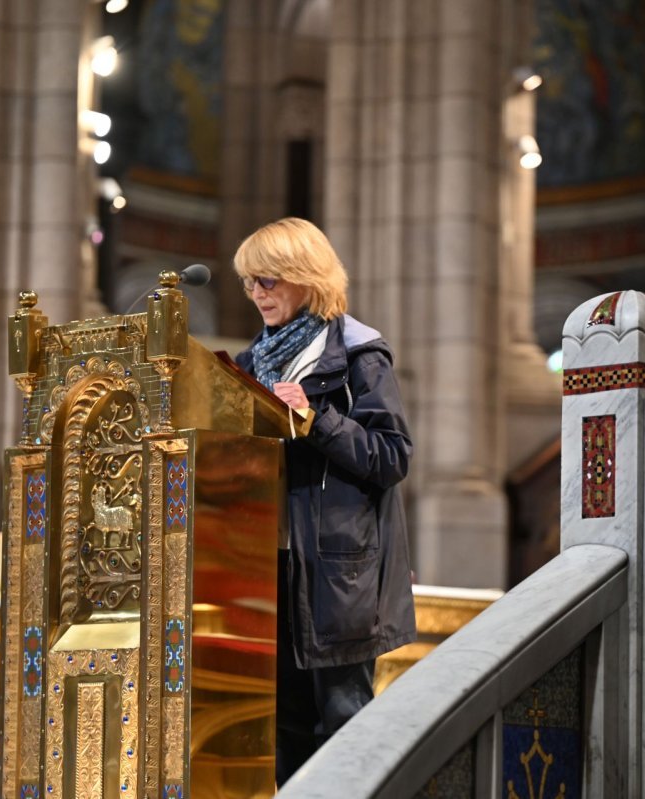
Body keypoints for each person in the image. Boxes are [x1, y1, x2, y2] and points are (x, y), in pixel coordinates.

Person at [232, 217, 416, 786]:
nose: (257, 294)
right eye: (249, 283)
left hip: (340, 575)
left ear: (305, 277)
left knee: (343, 729)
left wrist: (315, 420)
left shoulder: (360, 356)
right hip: (267, 571)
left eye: (267, 280)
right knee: (282, 732)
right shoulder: (246, 367)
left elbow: (391, 458)